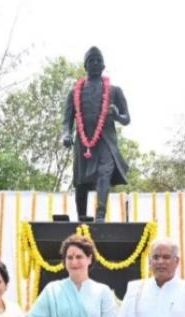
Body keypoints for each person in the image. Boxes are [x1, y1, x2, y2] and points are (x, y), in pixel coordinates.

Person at [62, 46, 130, 222]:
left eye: (98, 60)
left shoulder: (115, 91)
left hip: (106, 141)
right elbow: (67, 119)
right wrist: (66, 134)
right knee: (80, 181)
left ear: (103, 66)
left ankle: (100, 215)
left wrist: (117, 115)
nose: (95, 63)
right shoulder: (74, 92)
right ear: (85, 66)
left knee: (104, 174)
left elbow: (127, 118)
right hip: (82, 142)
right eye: (91, 60)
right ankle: (82, 216)